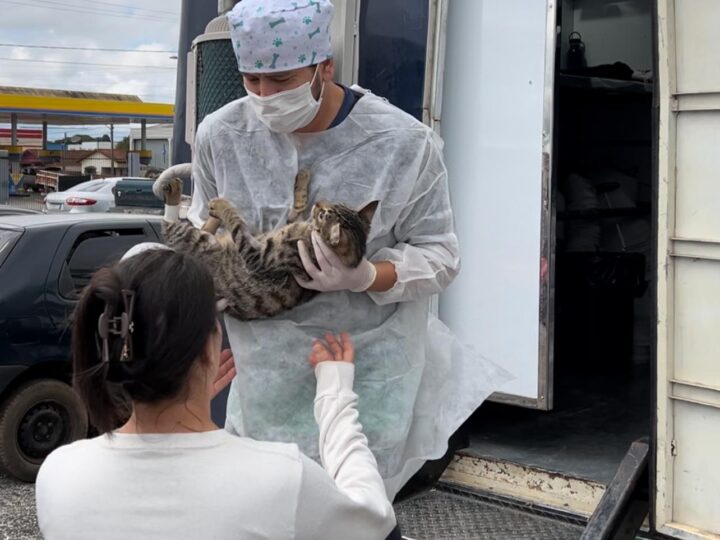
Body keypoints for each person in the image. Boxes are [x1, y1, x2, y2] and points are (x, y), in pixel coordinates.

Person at [186, 0, 510, 499]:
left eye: (282, 82)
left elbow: (440, 256)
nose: (264, 96)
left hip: (365, 373)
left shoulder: (402, 143)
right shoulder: (222, 135)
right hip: (263, 379)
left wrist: (366, 277)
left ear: (325, 68)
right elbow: (204, 226)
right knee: (265, 506)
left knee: (355, 507)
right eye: (252, 80)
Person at [34, 249, 397, 540]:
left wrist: (186, 396)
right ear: (210, 348)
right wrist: (334, 395)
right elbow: (373, 519)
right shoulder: (280, 479)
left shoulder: (59, 474)